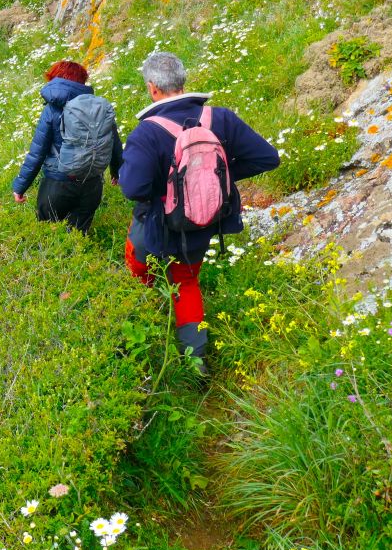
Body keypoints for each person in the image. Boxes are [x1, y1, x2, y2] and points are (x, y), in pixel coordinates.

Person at [119, 52, 280, 375]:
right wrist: (214, 181)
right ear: (182, 81)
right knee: (186, 281)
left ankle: (139, 343)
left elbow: (132, 188)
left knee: (138, 272)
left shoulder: (146, 132)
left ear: (153, 88)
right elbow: (268, 158)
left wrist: (167, 192)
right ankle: (196, 364)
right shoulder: (220, 118)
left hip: (155, 224)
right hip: (204, 221)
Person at [11, 60, 123, 234]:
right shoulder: (99, 108)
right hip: (92, 184)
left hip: (58, 184)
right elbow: (114, 143)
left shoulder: (52, 109)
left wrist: (20, 186)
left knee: (48, 236)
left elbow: (37, 152)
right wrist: (116, 171)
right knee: (79, 237)